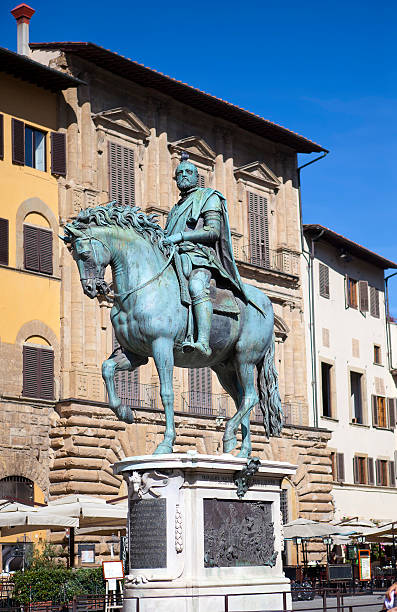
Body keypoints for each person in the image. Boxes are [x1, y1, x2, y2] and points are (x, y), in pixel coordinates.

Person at [164, 152, 253, 357]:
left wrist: (179, 238)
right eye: (180, 173)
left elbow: (213, 231)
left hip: (199, 258)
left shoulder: (209, 197)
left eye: (188, 172)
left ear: (197, 177)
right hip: (175, 258)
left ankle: (203, 341)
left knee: (196, 286)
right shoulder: (175, 209)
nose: (184, 176)